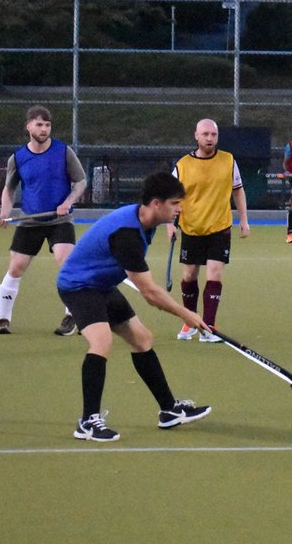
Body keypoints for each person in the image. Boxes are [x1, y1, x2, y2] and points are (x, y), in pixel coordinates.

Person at [57, 172, 213, 442]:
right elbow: (150, 293)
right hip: (79, 286)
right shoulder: (127, 234)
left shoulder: (144, 220)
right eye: (175, 203)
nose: (180, 209)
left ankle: (169, 410)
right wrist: (188, 314)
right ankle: (87, 422)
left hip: (102, 284)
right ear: (156, 203)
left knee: (142, 339)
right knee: (101, 342)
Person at [0, 105, 87, 335]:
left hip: (60, 220)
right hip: (30, 220)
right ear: (28, 127)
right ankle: (3, 319)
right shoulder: (18, 158)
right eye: (39, 124)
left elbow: (81, 182)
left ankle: (71, 315)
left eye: (47, 125)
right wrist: (5, 211)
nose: (44, 129)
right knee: (16, 268)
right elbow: (9, 189)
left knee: (66, 262)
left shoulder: (63, 151)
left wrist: (68, 201)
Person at [168, 119, 250, 341]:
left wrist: (244, 220)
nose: (209, 138)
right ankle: (190, 322)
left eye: (213, 134)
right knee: (189, 275)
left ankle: (209, 326)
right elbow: (172, 198)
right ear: (196, 135)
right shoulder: (182, 165)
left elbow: (238, 191)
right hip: (192, 228)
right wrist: (170, 224)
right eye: (205, 134)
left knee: (214, 273)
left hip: (219, 227)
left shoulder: (228, 161)